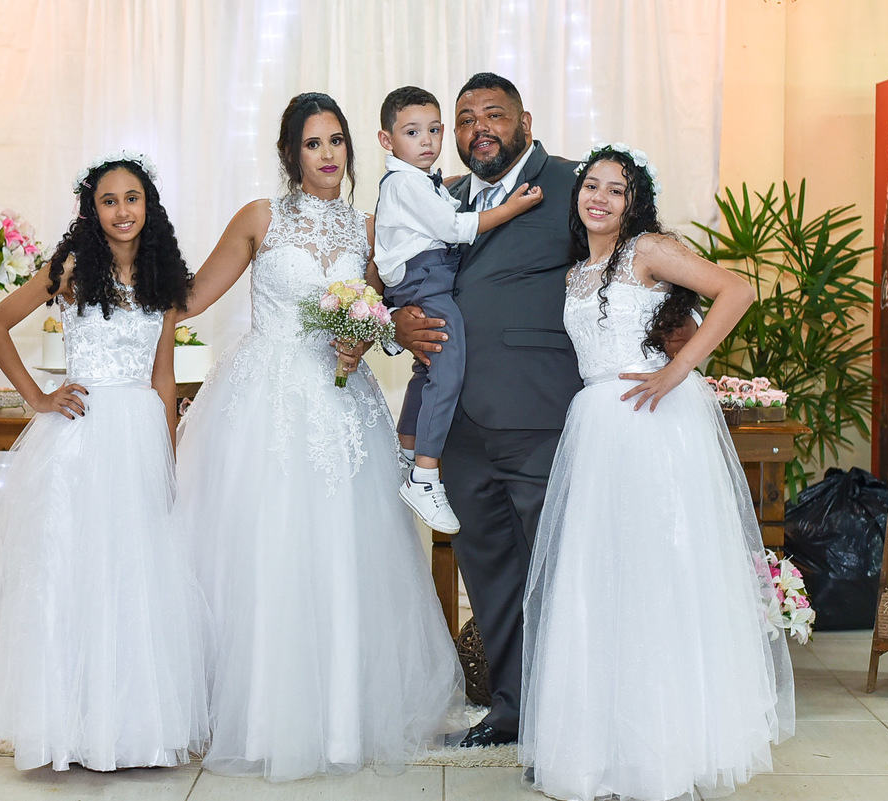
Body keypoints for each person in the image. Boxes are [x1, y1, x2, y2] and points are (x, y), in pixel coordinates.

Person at [175, 92, 465, 782]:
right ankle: (261, 715)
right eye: (313, 143)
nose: (328, 154)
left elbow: (386, 317)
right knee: (267, 551)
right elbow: (187, 299)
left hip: (342, 407)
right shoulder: (260, 218)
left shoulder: (369, 228)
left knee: (341, 551)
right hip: (264, 407)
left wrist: (369, 339)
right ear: (290, 153)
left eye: (336, 140)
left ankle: (339, 718)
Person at [519, 144, 795, 800]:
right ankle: (599, 752)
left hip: (649, 425)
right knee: (599, 579)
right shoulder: (575, 274)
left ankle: (662, 754)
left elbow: (737, 289)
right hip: (596, 428)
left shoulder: (646, 250)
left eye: (616, 189)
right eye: (592, 185)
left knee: (652, 576)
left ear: (633, 202)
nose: (600, 198)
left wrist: (677, 369)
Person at [0, 154, 211, 772]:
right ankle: (66, 728)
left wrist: (169, 456)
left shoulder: (164, 278)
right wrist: (38, 398)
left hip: (139, 435)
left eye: (132, 198)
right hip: (82, 438)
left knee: (135, 575)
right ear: (92, 210)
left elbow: (164, 377)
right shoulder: (69, 271)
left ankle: (133, 730)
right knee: (74, 570)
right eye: (109, 200)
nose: (122, 211)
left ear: (149, 206)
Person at [392, 72, 583, 748]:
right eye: (467, 119)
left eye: (494, 115)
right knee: (490, 571)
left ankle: (572, 714)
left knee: (559, 570)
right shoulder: (438, 197)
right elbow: (404, 275)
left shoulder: (572, 184)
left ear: (524, 121)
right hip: (458, 427)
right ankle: (511, 708)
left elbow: (627, 266)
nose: (480, 129)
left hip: (541, 413)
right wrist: (399, 324)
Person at [374, 85, 542, 534]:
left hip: (426, 275)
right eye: (412, 132)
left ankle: (407, 449)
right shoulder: (405, 183)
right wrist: (512, 207)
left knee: (429, 368)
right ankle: (425, 474)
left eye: (434, 130)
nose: (426, 141)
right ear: (387, 140)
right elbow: (454, 227)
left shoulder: (420, 181)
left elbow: (443, 205)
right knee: (447, 371)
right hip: (426, 277)